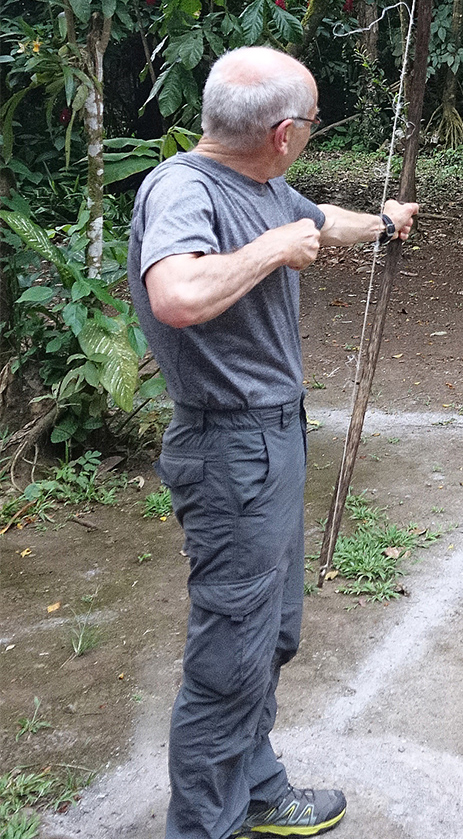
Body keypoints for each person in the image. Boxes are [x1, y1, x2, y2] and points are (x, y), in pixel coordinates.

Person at [128, 46, 417, 839]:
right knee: (230, 656)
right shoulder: (184, 188)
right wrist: (274, 249)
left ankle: (255, 790)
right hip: (229, 448)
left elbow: (324, 222)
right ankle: (205, 827)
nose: (312, 135)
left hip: (272, 438)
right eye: (314, 124)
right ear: (283, 131)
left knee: (269, 634)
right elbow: (178, 293)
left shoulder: (266, 185)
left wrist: (386, 222)